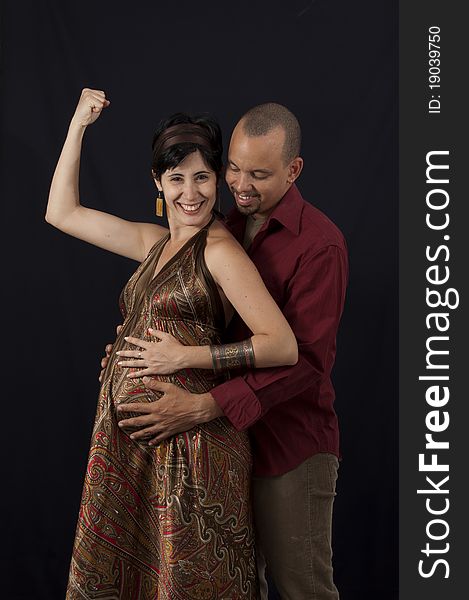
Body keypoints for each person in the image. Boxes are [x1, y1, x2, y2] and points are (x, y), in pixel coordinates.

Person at [45, 88, 299, 599]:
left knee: (187, 583)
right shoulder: (156, 242)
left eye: (203, 177)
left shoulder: (221, 250)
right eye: (177, 178)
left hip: (192, 448)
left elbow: (282, 345)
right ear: (158, 183)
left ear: (216, 181)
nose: (192, 192)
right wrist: (77, 126)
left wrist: (187, 357)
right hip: (138, 449)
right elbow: (62, 213)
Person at [109, 103, 349, 599]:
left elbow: (304, 362)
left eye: (259, 174)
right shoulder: (226, 225)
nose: (241, 184)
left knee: (301, 586)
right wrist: (127, 354)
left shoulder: (320, 245)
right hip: (220, 443)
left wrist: (203, 403)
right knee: (237, 585)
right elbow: (196, 316)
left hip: (288, 444)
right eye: (234, 169)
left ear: (294, 170)